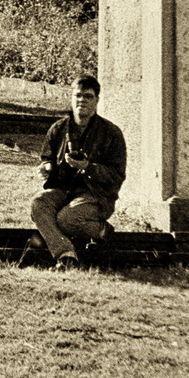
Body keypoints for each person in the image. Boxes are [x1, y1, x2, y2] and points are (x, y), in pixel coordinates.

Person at [24, 75, 127, 271]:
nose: (82, 100)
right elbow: (46, 157)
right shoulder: (58, 128)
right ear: (71, 98)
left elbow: (117, 175)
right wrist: (47, 167)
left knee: (66, 220)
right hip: (63, 191)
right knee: (39, 204)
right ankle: (66, 255)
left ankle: (102, 230)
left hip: (96, 196)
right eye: (78, 95)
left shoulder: (112, 133)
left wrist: (88, 167)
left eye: (88, 96)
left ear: (97, 100)